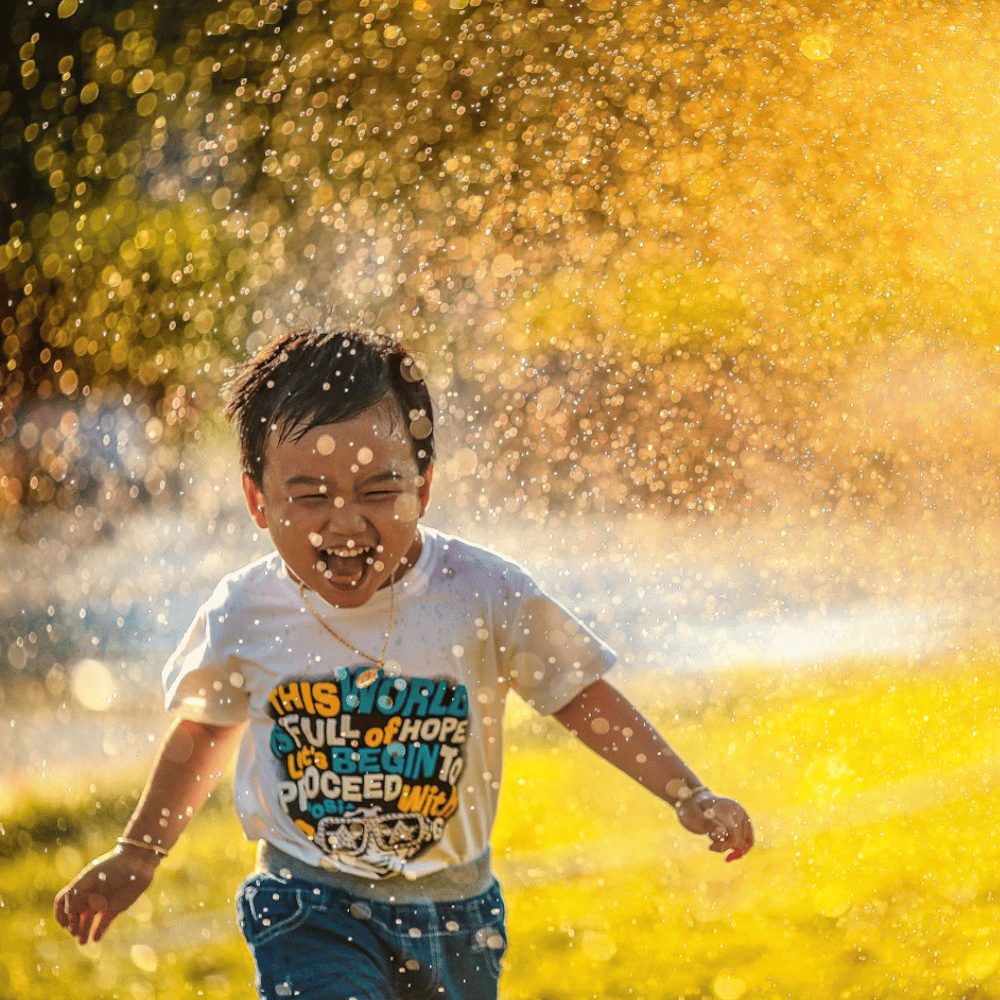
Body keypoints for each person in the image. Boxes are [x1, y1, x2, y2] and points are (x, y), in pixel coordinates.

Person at [54, 326, 753, 1000]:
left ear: (424, 484)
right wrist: (139, 851)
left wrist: (687, 793)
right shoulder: (248, 611)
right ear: (257, 501)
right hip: (308, 901)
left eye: (378, 492)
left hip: (457, 915)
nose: (345, 522)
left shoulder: (482, 592)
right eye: (309, 496)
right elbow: (204, 731)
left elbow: (580, 695)